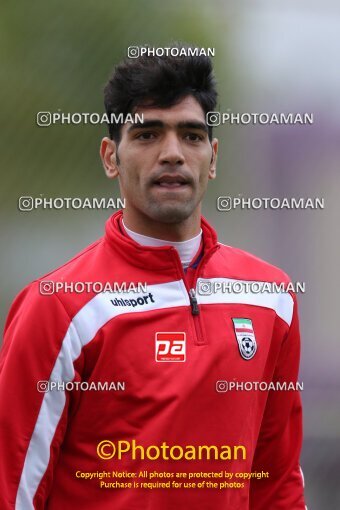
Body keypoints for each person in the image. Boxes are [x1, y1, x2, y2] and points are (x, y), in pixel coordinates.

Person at [0, 43, 306, 509]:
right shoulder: (59, 306)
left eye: (191, 135)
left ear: (214, 156)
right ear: (110, 157)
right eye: (146, 135)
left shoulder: (271, 297)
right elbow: (14, 486)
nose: (172, 154)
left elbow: (277, 482)